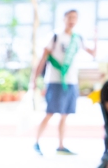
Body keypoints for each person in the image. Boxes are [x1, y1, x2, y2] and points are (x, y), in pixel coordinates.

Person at [31, 9, 98, 155]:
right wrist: (34, 79)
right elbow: (43, 59)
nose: (72, 20)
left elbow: (93, 53)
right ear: (64, 19)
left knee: (65, 114)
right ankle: (36, 142)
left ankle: (60, 145)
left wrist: (95, 38)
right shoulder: (55, 36)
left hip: (71, 82)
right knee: (50, 112)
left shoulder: (77, 38)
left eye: (75, 17)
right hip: (55, 81)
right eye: (70, 17)